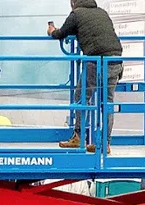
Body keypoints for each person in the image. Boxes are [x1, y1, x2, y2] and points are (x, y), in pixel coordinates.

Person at [48, 0, 123, 151]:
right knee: (107, 103)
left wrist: (51, 31)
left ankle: (78, 137)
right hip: (116, 60)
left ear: (73, 2)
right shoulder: (102, 12)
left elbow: (60, 33)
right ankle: (105, 143)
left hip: (96, 62)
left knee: (81, 98)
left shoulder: (76, 14)